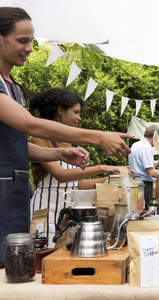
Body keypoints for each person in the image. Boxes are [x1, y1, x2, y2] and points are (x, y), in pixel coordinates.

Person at [0, 7, 132, 268]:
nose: (29, 48)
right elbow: (32, 125)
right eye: (22, 40)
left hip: (13, 196)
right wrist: (97, 136)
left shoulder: (14, 86)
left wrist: (60, 153)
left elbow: (16, 145)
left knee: (14, 270)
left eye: (31, 41)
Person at [28, 88, 124, 245]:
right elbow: (61, 175)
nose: (79, 118)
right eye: (76, 112)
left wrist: (110, 178)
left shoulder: (71, 144)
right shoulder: (39, 139)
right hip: (45, 213)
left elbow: (78, 184)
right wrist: (102, 167)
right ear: (60, 111)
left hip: (69, 215)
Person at [128, 124, 159, 210]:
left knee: (137, 211)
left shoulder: (135, 145)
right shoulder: (146, 147)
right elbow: (150, 172)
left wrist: (158, 172)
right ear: (155, 136)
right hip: (145, 186)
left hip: (134, 183)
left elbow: (140, 168)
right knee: (147, 214)